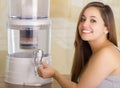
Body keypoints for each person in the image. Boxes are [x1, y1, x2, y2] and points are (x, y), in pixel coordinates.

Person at [37, 1, 120, 88]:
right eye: (83, 19)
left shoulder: (106, 54)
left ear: (106, 28)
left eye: (93, 20)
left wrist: (55, 74)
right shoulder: (96, 52)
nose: (84, 24)